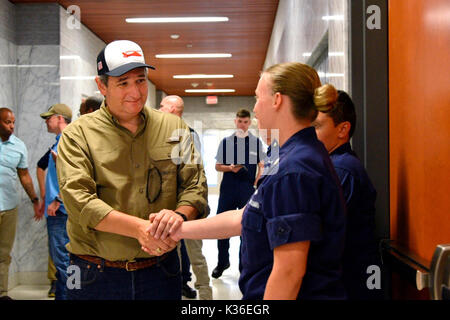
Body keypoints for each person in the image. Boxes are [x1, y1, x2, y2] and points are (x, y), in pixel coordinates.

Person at [145, 62, 347, 300]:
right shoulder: (282, 155)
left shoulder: (295, 169)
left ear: (277, 100)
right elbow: (244, 217)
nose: (256, 109)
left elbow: (288, 273)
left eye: (257, 98)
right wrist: (177, 229)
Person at [56, 40, 208, 300]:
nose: (136, 92)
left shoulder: (174, 128)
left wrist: (178, 217)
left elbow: (195, 185)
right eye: (123, 83)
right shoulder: (77, 135)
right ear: (102, 85)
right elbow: (79, 202)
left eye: (140, 80)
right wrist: (140, 229)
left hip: (161, 270)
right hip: (93, 272)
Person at [312, 90, 382, 300]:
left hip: (352, 283)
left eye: (316, 126)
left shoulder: (342, 171)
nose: (308, 133)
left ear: (342, 130)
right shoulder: (332, 165)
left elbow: (319, 231)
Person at [159, 95, 213, 300]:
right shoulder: (161, 134)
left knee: (195, 254)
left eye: (162, 106)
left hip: (189, 207)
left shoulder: (188, 135)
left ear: (173, 109)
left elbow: (195, 176)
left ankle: (206, 295)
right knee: (174, 256)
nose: (159, 109)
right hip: (169, 207)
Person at [211, 108, 264, 279]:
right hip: (229, 187)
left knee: (246, 227)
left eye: (245, 122)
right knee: (221, 226)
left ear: (249, 123)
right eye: (239, 121)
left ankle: (244, 265)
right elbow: (217, 166)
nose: (242, 124)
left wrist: (256, 182)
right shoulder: (226, 142)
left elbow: (262, 165)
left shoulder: (256, 142)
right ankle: (222, 262)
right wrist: (230, 168)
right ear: (235, 121)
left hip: (247, 189)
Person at [0, 108, 41, 300]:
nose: (12, 126)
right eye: (7, 122)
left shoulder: (18, 145)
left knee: (4, 253)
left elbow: (24, 175)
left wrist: (34, 199)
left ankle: (2, 293)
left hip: (9, 206)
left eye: (13, 122)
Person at [35, 103, 73, 300]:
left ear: (60, 118)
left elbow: (73, 174)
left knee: (64, 261)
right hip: (59, 209)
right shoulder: (61, 141)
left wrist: (57, 199)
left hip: (60, 211)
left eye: (49, 118)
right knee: (64, 262)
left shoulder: (67, 142)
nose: (46, 122)